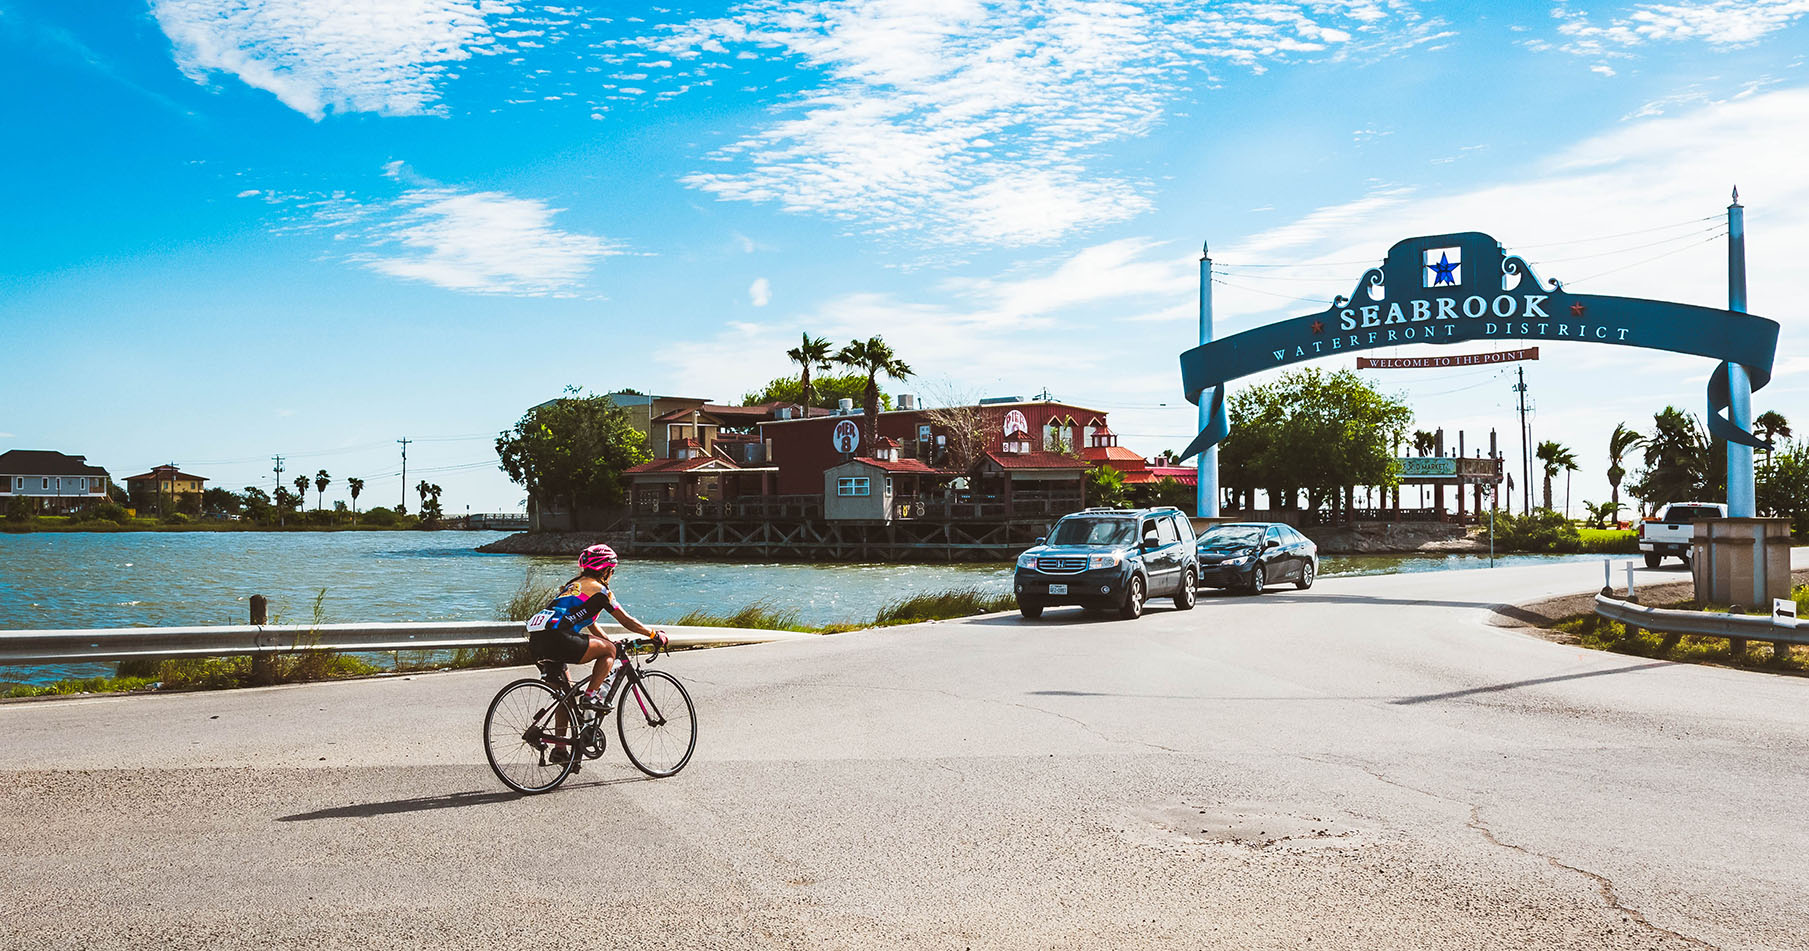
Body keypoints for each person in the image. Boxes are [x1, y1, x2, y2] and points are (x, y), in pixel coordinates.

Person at [526, 544, 668, 704]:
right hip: (560, 638)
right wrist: (653, 635)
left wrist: (609, 642)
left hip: (537, 642)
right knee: (609, 652)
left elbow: (590, 623)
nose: (612, 574)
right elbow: (626, 621)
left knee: (566, 699)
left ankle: (565, 728)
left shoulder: (572, 586)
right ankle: (591, 696)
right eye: (612, 570)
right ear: (605, 570)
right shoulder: (600, 591)